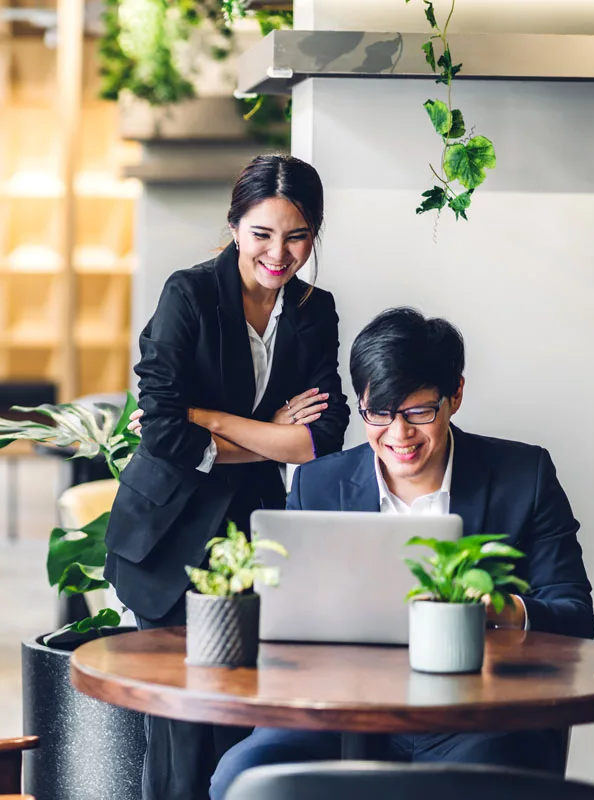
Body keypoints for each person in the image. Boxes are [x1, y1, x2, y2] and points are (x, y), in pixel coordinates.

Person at [208, 307, 594, 800]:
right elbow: (282, 616)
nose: (399, 435)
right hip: (334, 715)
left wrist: (499, 610)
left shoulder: (525, 475)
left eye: (418, 413)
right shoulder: (318, 482)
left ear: (455, 394)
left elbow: (575, 614)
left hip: (478, 719)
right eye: (380, 414)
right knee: (239, 777)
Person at [108, 155, 351, 800]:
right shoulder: (188, 294)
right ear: (236, 226)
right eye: (263, 234)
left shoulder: (314, 310)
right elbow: (161, 430)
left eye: (297, 236)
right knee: (182, 725)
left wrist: (216, 420)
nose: (279, 253)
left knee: (242, 720)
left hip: (251, 541)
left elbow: (319, 439)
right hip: (168, 537)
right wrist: (268, 431)